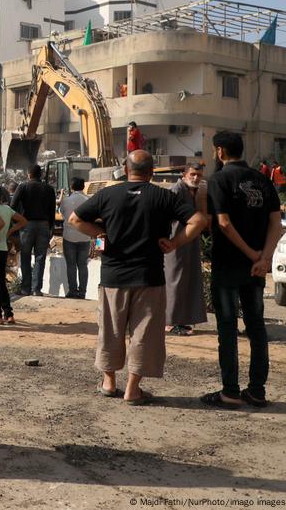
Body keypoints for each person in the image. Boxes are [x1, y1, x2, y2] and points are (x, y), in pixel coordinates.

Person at [69, 150, 205, 405]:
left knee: (110, 330)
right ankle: (133, 389)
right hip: (149, 277)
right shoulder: (164, 196)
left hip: (113, 277)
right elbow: (198, 220)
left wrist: (101, 237)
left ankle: (109, 383)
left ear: (125, 168)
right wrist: (175, 243)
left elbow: (75, 219)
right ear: (152, 172)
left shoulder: (108, 194)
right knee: (144, 333)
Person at [202, 132, 282, 409]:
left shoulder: (219, 179)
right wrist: (264, 258)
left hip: (228, 266)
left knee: (227, 327)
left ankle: (230, 391)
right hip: (256, 270)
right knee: (256, 327)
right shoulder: (263, 180)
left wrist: (251, 255)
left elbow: (222, 223)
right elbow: (277, 224)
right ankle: (257, 390)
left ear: (220, 151)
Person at [164, 164, 208, 335]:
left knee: (187, 280)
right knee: (175, 279)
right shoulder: (176, 190)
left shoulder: (195, 191)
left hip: (190, 242)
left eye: (199, 175)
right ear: (184, 174)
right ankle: (170, 321)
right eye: (193, 174)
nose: (196, 178)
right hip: (175, 241)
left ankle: (181, 320)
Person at [0, 185, 27, 324]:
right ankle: (8, 314)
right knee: (0, 282)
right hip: (3, 249)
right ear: (1, 197)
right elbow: (23, 221)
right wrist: (9, 232)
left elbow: (0, 223)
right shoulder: (7, 209)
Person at [11, 164, 56, 296]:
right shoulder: (49, 189)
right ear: (40, 175)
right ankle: (37, 289)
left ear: (29, 174)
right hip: (44, 225)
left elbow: (12, 206)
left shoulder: (23, 187)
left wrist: (16, 223)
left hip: (26, 225)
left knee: (25, 256)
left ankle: (26, 288)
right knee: (40, 258)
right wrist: (51, 227)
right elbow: (52, 209)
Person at [58, 177, 91, 299]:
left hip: (69, 237)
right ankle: (82, 292)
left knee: (71, 265)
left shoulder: (66, 201)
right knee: (83, 265)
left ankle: (72, 291)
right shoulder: (89, 200)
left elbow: (62, 213)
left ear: (71, 187)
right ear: (83, 186)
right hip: (85, 236)